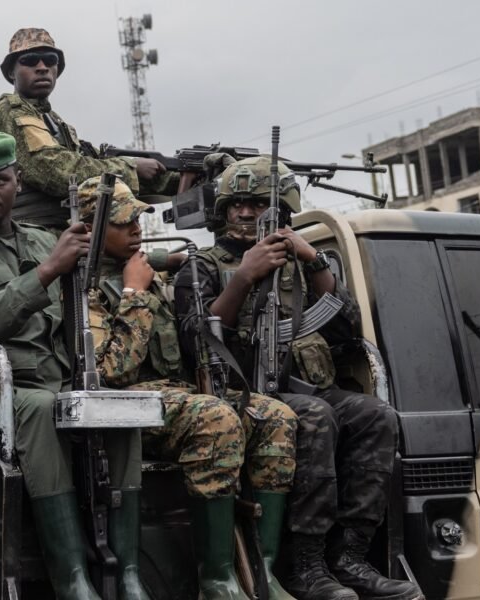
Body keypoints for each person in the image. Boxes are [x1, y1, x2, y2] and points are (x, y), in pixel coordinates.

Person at [175, 156, 423, 600]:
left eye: (257, 205)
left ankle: (350, 557)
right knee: (315, 415)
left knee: (374, 415)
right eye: (238, 205)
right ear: (223, 211)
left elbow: (347, 330)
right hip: (240, 394)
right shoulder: (202, 268)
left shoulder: (300, 268)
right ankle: (305, 565)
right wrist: (244, 278)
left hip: (303, 385)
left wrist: (312, 261)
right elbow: (197, 341)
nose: (247, 214)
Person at [0, 132, 145, 600]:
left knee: (120, 410)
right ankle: (72, 581)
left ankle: (127, 573)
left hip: (58, 382)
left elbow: (103, 278)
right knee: (40, 409)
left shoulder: (47, 239)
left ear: (16, 183)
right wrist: (45, 272)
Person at [78, 176, 298, 600]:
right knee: (215, 418)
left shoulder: (149, 272)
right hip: (125, 407)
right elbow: (113, 372)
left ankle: (262, 570)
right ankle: (216, 580)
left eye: (138, 220)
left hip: (175, 395)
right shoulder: (84, 288)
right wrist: (134, 292)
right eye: (124, 223)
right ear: (91, 229)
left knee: (275, 416)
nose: (137, 230)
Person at [0, 27, 176, 233]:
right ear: (11, 72)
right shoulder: (10, 112)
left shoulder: (53, 122)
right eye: (30, 60)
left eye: (50, 60)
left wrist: (180, 176)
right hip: (27, 236)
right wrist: (130, 168)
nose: (42, 67)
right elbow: (55, 171)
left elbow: (93, 163)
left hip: (54, 230)